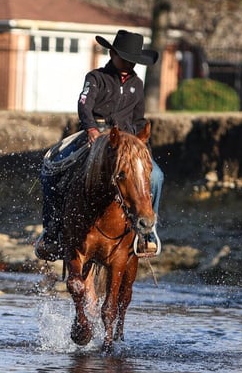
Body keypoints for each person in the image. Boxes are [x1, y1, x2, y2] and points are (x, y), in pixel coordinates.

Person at [35, 29, 165, 261]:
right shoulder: (95, 78)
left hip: (125, 142)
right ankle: (52, 233)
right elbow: (84, 105)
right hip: (95, 135)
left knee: (156, 177)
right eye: (124, 59)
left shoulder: (137, 84)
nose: (128, 64)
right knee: (52, 170)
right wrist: (92, 128)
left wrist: (136, 144)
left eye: (133, 61)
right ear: (112, 53)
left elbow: (139, 119)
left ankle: (147, 233)